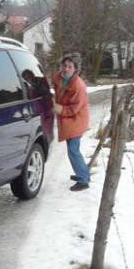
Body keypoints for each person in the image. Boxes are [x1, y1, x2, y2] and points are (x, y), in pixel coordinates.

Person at [52, 55, 90, 191]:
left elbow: (74, 109)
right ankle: (83, 173)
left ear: (75, 70)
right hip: (69, 120)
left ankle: (83, 180)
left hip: (77, 119)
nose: (66, 69)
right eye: (65, 66)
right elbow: (52, 85)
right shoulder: (59, 78)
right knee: (73, 149)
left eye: (70, 67)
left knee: (73, 150)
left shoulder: (79, 86)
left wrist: (58, 108)